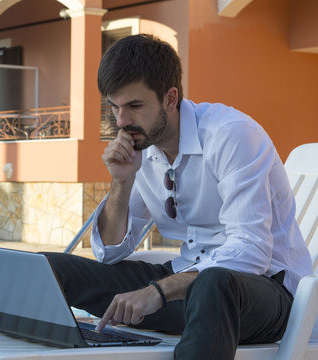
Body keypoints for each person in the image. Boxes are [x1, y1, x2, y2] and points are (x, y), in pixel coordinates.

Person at [43, 34, 312, 359]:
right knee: (48, 267)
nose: (122, 121)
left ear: (170, 98)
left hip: (262, 294)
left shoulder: (231, 136)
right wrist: (122, 182)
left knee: (212, 284)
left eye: (134, 106)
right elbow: (111, 253)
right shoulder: (142, 147)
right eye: (114, 107)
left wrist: (158, 291)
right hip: (186, 287)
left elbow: (251, 251)